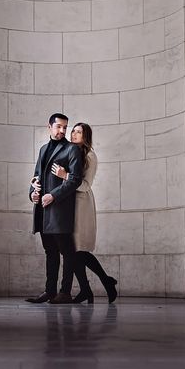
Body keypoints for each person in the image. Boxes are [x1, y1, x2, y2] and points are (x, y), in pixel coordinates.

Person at [51, 122, 118, 304]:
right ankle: (86, 290)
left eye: (78, 132)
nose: (73, 134)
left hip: (81, 205)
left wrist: (65, 176)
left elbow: (86, 185)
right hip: (69, 204)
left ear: (86, 136)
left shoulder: (90, 156)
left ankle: (105, 281)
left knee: (78, 250)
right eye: (73, 131)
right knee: (72, 250)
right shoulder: (72, 152)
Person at [25, 113, 84, 304]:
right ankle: (49, 291)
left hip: (60, 211)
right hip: (43, 210)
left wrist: (53, 195)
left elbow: (75, 180)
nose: (62, 130)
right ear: (49, 126)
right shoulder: (43, 149)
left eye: (65, 127)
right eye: (58, 126)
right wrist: (33, 194)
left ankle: (65, 292)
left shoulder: (72, 149)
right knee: (50, 251)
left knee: (67, 252)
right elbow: (35, 177)